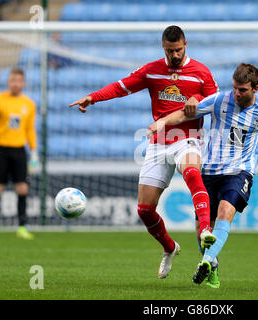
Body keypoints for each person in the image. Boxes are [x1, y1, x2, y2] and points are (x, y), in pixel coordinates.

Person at [69, 25, 219, 279]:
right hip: (158, 143)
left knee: (192, 172)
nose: (174, 55)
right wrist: (92, 98)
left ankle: (205, 230)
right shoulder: (152, 71)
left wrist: (200, 102)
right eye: (170, 51)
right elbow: (121, 87)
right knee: (144, 210)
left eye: (178, 50)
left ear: (186, 45)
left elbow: (218, 103)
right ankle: (170, 248)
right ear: (163, 48)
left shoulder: (201, 72)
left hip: (188, 138)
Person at [148, 63, 258, 287]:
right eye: (235, 88)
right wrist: (163, 121)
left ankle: (206, 261)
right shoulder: (219, 100)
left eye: (243, 90)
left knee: (225, 211)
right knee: (201, 233)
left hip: (240, 170)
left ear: (255, 88)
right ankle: (212, 266)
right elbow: (185, 113)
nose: (237, 93)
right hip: (209, 171)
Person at [0, 67, 39, 240]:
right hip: (0, 149)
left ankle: (22, 227)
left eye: (19, 80)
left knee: (22, 188)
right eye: (13, 80)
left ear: (24, 83)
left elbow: (30, 130)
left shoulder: (29, 104)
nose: (16, 84)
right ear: (8, 82)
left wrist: (34, 153)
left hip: (19, 150)